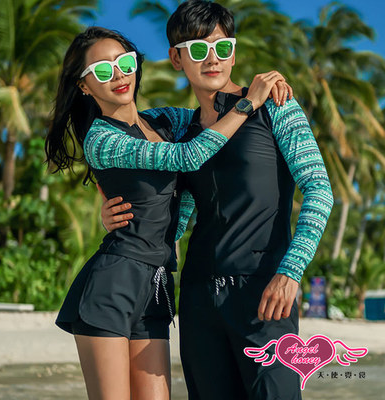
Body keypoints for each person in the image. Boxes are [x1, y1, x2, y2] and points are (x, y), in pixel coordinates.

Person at [101, 1, 334, 399]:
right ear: (176, 58)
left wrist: (291, 272)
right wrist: (116, 210)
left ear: (233, 53)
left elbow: (319, 189)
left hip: (265, 293)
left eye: (223, 47)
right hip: (198, 298)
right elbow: (119, 131)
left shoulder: (275, 107)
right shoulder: (179, 127)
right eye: (198, 49)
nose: (212, 59)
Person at [45, 26, 290, 400]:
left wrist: (265, 90)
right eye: (103, 71)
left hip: (157, 285)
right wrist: (248, 104)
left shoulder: (166, 122)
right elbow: (189, 156)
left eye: (125, 63)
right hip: (114, 283)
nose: (119, 76)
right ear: (84, 86)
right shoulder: (101, 138)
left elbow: (205, 132)